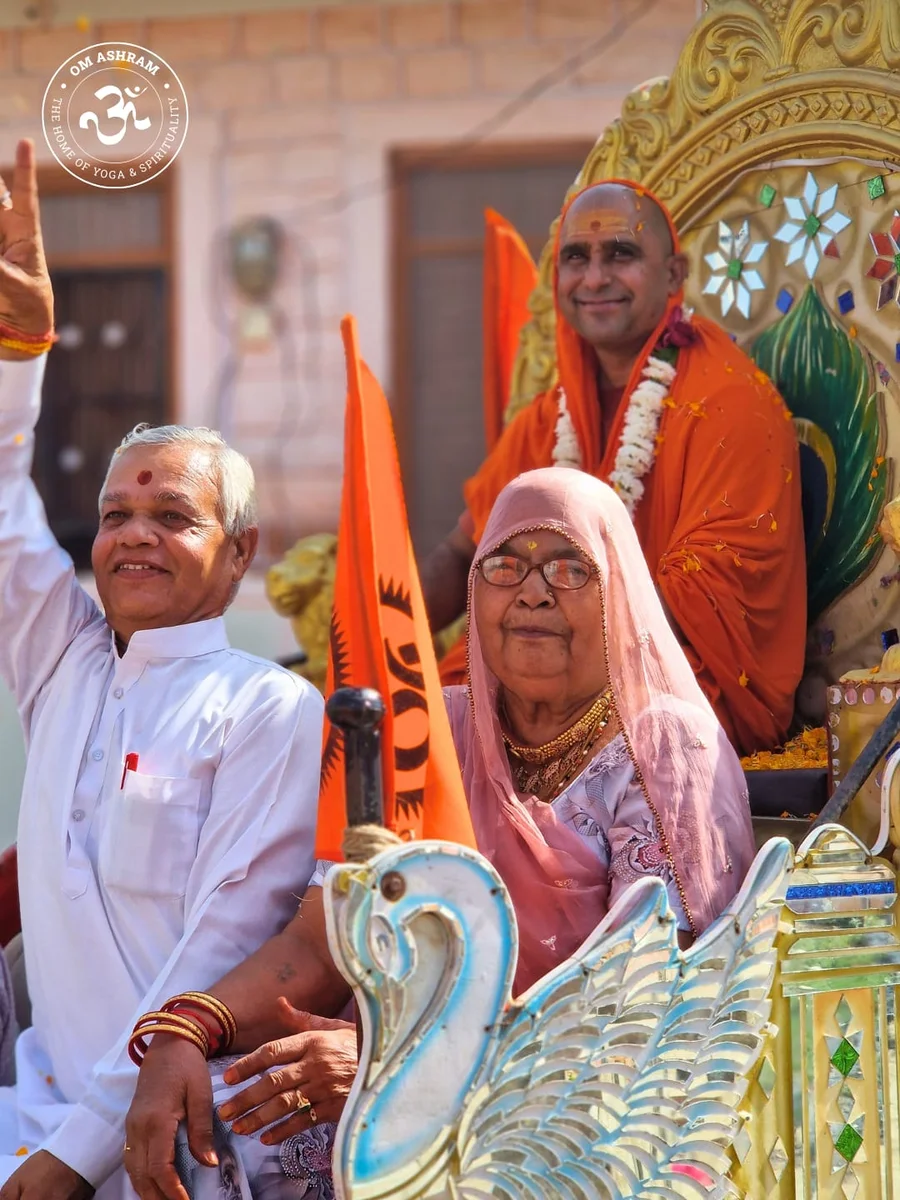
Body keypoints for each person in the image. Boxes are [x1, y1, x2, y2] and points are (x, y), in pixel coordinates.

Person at [123, 467, 756, 1200]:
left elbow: (643, 1009)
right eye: (506, 565)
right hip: (392, 1089)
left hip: (573, 1128)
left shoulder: (663, 750)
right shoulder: (436, 729)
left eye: (570, 567)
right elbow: (322, 935)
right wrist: (186, 1030)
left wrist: (394, 1068)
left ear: (617, 589)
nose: (534, 591)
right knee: (210, 1121)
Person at [0, 139, 325, 1200]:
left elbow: (225, 936)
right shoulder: (65, 666)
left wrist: (74, 1158)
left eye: (172, 516)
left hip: (177, 1135)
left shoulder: (268, 706)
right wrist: (18, 355)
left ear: (239, 553)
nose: (134, 537)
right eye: (114, 516)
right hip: (38, 1115)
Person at [421, 180, 807, 757]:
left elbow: (694, 608)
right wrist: (384, 639)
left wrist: (541, 662)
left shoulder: (731, 406)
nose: (595, 278)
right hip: (539, 673)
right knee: (406, 720)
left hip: (672, 689)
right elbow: (463, 551)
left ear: (675, 276)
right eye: (576, 258)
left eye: (621, 254)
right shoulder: (551, 417)